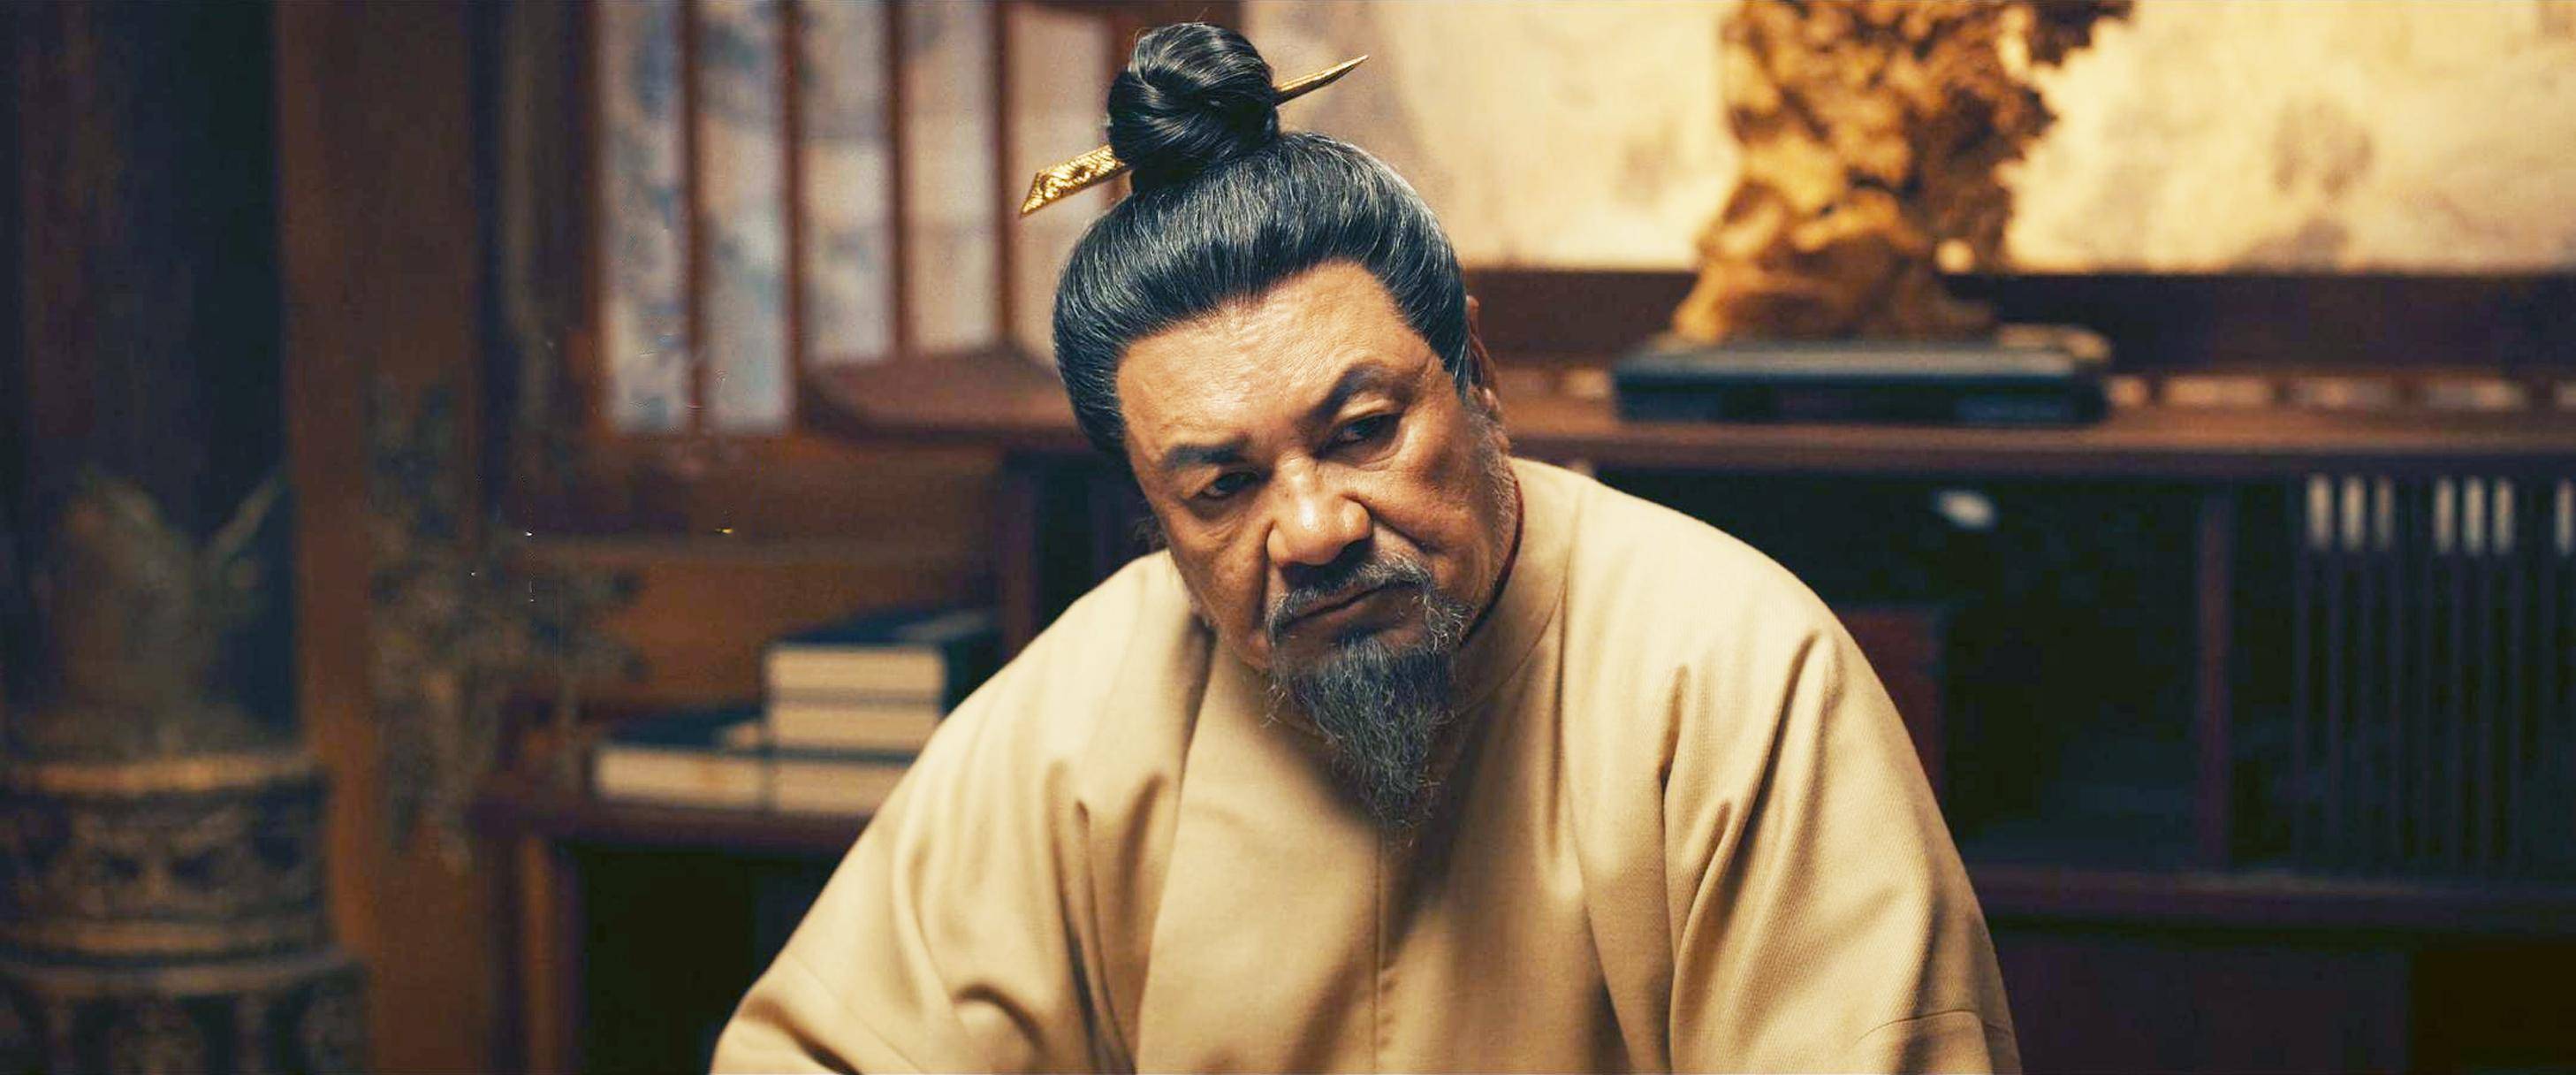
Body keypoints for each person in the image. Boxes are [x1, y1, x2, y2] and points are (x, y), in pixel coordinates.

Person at [716, 23, 2013, 1073]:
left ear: (1476, 377)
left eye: (1363, 431)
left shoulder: (1728, 674)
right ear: (1156, 518)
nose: (1315, 527)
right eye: (1223, 486)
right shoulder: (1083, 710)